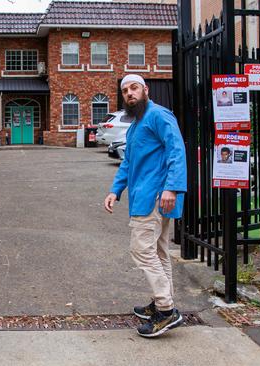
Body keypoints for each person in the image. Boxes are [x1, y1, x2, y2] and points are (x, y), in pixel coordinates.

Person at [104, 74, 187, 338]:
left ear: (146, 90)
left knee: (140, 250)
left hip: (156, 196)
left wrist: (172, 187)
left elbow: (176, 150)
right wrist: (115, 191)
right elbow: (128, 163)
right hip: (146, 197)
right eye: (125, 90)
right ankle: (162, 301)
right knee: (159, 252)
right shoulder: (136, 125)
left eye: (134, 88)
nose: (129, 93)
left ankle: (166, 310)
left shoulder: (159, 116)